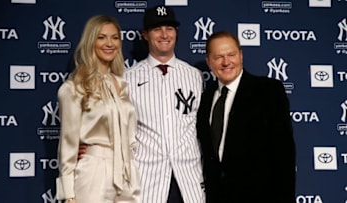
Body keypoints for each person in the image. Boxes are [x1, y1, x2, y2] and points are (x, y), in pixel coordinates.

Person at [196, 31, 296, 203]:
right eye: (219, 57)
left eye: (231, 55)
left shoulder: (268, 91)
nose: (226, 62)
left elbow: (284, 155)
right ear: (208, 62)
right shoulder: (206, 98)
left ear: (241, 55)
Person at [124, 5, 205, 203]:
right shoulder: (127, 78)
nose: (164, 34)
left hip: (189, 180)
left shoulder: (194, 76)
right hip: (147, 182)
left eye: (169, 28)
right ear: (145, 34)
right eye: (157, 29)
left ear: (176, 32)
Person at [55, 15, 140, 203]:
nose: (109, 43)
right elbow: (68, 144)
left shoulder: (121, 85)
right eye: (101, 37)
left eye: (114, 37)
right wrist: (69, 193)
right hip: (93, 172)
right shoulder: (73, 88)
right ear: (90, 41)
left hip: (126, 172)